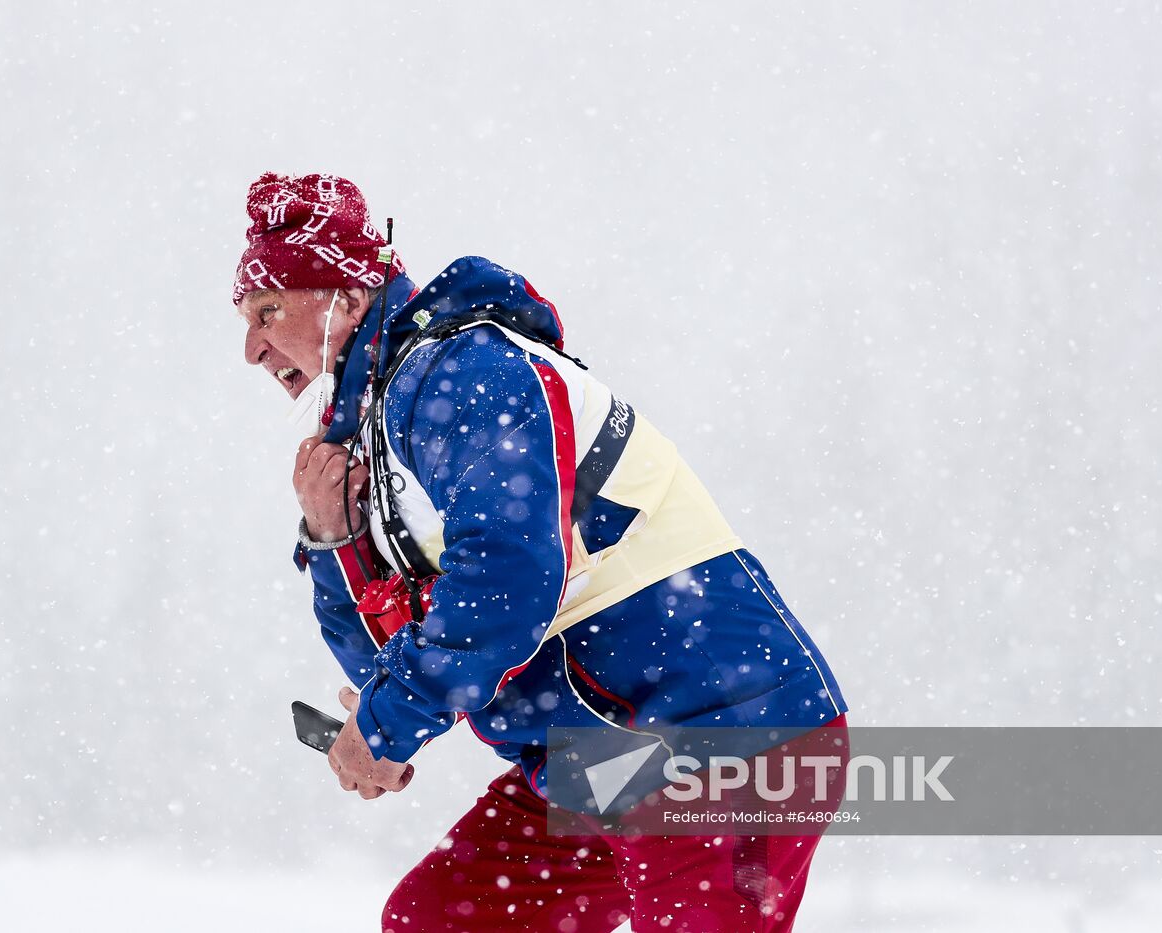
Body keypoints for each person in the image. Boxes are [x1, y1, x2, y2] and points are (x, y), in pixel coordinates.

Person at [233, 172, 849, 932]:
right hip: (601, 765)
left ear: (348, 298)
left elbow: (505, 585)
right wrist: (333, 537)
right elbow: (396, 652)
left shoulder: (468, 373)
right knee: (441, 922)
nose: (252, 347)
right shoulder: (376, 432)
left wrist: (390, 725)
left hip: (723, 734)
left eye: (268, 310)